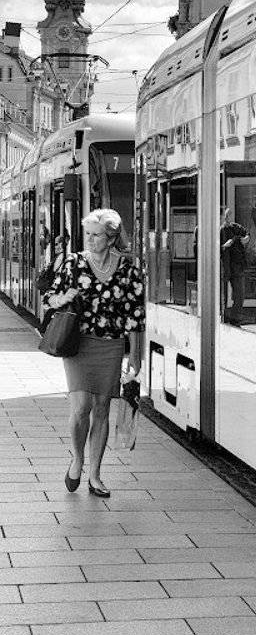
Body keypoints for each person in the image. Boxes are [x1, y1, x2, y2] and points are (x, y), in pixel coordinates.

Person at [41, 207, 144, 497]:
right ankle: (77, 459)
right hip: (79, 343)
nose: (89, 239)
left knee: (101, 409)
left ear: (111, 239)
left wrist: (136, 356)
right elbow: (49, 298)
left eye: (96, 235)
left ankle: (95, 475)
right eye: (88, 233)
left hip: (111, 345)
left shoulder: (128, 269)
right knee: (80, 407)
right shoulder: (73, 263)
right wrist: (64, 297)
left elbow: (135, 316)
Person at [220, 205, 249, 325]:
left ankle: (235, 317)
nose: (227, 218)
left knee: (239, 294)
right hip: (223, 266)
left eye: (229, 216)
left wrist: (246, 238)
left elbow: (246, 234)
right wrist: (223, 246)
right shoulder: (218, 230)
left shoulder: (236, 227)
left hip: (237, 266)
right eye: (226, 216)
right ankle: (222, 316)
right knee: (222, 294)